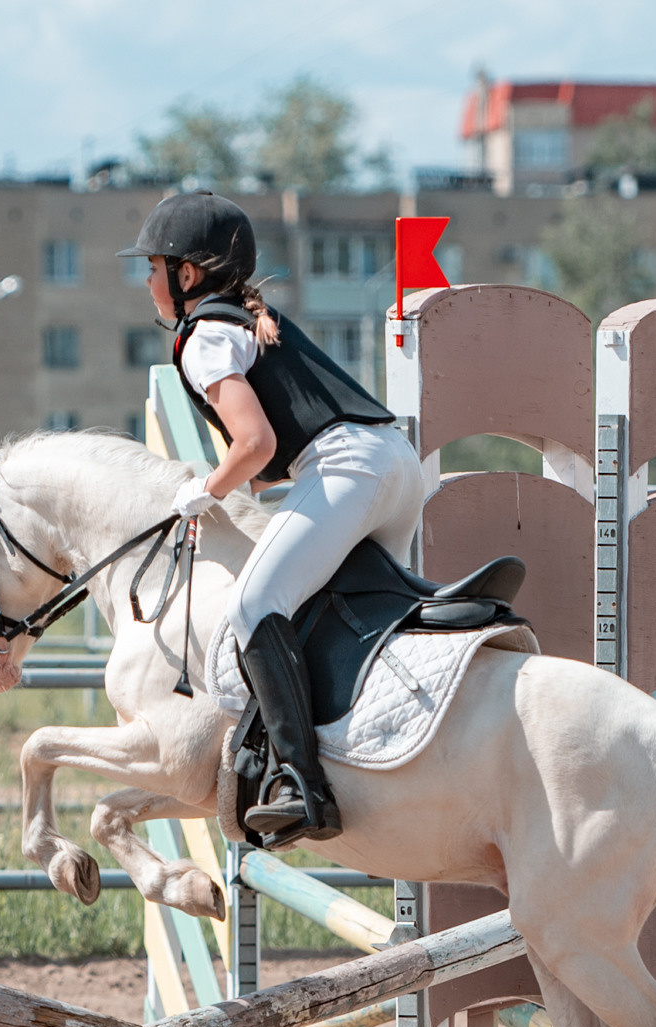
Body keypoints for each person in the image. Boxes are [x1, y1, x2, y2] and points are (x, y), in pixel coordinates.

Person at [117, 191, 426, 848]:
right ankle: (386, 751)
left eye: (152, 267)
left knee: (256, 606)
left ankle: (299, 782)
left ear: (187, 276)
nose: (145, 280)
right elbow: (265, 463)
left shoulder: (203, 338)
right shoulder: (246, 319)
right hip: (395, 463)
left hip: (348, 468)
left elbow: (252, 446)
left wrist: (204, 489)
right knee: (352, 610)